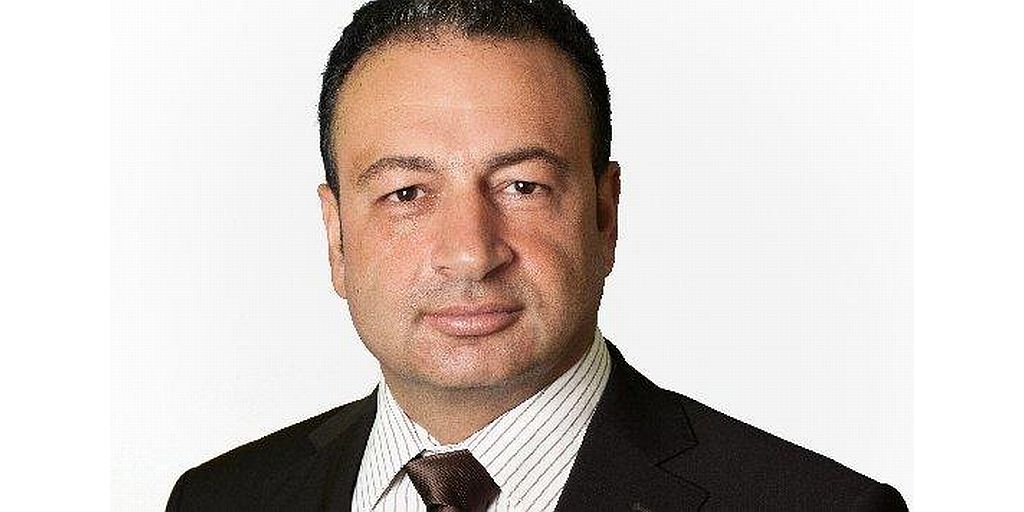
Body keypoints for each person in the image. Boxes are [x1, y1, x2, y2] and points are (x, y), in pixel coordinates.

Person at [166, 1, 908, 510]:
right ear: (336, 237)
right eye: (406, 193)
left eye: (522, 186)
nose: (469, 253)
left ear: (605, 215)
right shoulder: (218, 500)